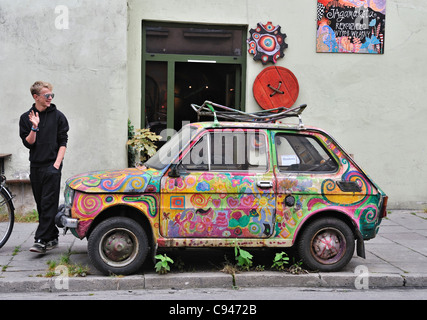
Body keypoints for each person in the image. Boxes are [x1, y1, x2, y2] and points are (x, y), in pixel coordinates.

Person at [19, 81, 69, 254]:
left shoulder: (58, 116)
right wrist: (34, 126)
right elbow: (28, 143)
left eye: (51, 95)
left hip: (52, 166)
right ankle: (52, 236)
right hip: (36, 166)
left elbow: (63, 142)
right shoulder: (26, 117)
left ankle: (40, 241)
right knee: (42, 205)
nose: (50, 98)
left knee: (48, 203)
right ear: (36, 97)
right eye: (47, 95)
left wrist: (56, 165)